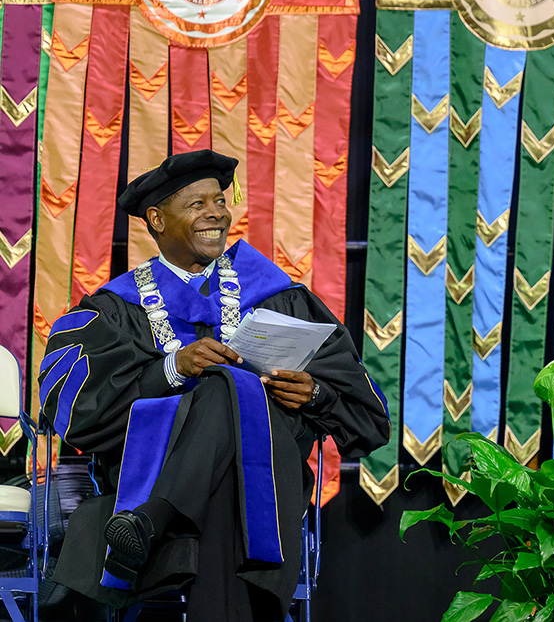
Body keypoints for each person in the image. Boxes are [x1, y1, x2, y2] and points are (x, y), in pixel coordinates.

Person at [39, 150, 391, 621]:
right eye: (197, 204)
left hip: (266, 468)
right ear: (157, 220)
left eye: (219, 201)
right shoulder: (117, 309)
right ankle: (157, 515)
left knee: (227, 385)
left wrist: (314, 393)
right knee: (226, 391)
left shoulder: (278, 296)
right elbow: (80, 412)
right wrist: (174, 368)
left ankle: (152, 519)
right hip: (154, 465)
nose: (216, 213)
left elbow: (366, 415)